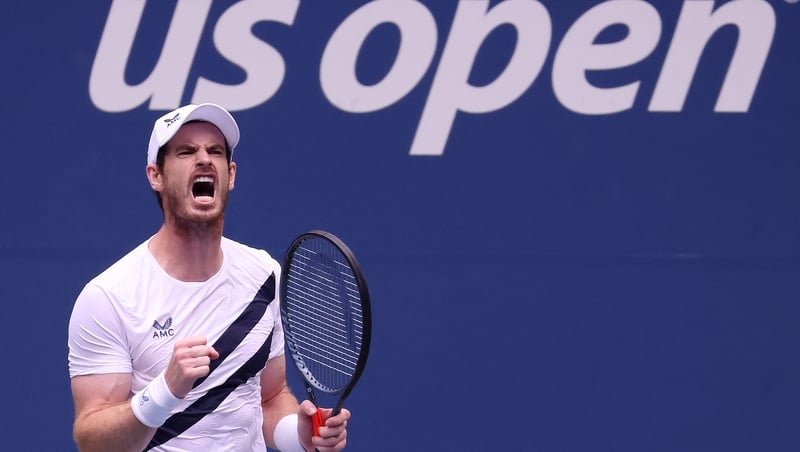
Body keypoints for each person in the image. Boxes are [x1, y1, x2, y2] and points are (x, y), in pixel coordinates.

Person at [67, 103, 350, 452]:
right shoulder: (108, 296)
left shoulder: (264, 275)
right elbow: (93, 441)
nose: (204, 159)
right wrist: (164, 391)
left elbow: (270, 397)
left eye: (214, 151)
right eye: (186, 152)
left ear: (230, 174)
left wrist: (299, 436)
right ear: (155, 175)